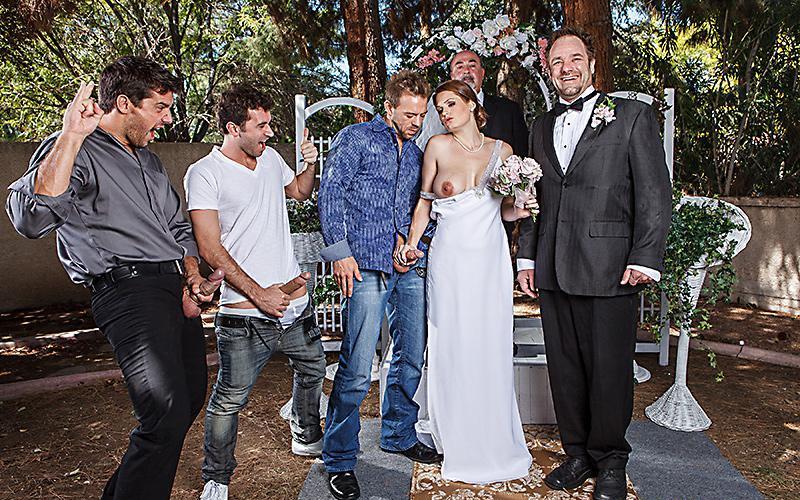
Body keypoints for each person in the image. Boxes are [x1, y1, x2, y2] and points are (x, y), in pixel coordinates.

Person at [5, 56, 222, 500]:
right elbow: (30, 218)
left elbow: (177, 229)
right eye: (160, 107)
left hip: (171, 289)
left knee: (188, 398)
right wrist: (70, 136)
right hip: (127, 291)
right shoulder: (76, 148)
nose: (167, 118)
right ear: (124, 103)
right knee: (163, 408)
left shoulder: (151, 162)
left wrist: (192, 277)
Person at [516, 27, 671, 500]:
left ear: (592, 63)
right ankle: (578, 453)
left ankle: (610, 460)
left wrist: (645, 257)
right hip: (553, 267)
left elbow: (654, 193)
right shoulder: (540, 126)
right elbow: (534, 197)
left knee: (608, 370)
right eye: (557, 61)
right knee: (565, 369)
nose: (567, 68)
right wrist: (527, 257)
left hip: (611, 267)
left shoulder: (631, 116)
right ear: (549, 69)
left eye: (575, 58)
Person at [184, 85, 326, 500]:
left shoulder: (271, 159)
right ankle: (217, 477)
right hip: (245, 314)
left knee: (313, 369)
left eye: (269, 123)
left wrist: (310, 164)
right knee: (229, 400)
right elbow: (209, 247)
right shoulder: (205, 173)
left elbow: (299, 192)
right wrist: (259, 294)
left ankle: (304, 433)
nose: (269, 131)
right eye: (261, 125)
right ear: (233, 128)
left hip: (294, 306)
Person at [398, 79, 533, 484]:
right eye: (439, 108)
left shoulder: (502, 151)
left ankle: (491, 432)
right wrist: (411, 245)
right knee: (453, 342)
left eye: (450, 104)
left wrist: (524, 206)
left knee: (488, 342)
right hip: (450, 260)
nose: (444, 113)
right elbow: (424, 204)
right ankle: (455, 433)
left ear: (473, 104)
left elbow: (505, 211)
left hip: (490, 260)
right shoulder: (437, 147)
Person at [318, 70, 438, 500]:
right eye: (409, 114)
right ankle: (339, 459)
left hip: (406, 267)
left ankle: (399, 433)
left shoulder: (420, 153)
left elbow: (422, 207)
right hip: (363, 266)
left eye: (421, 115)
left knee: (412, 355)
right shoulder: (355, 138)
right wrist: (339, 252)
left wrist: (415, 243)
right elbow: (330, 194)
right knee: (356, 367)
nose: (416, 122)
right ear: (388, 108)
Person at [415, 49, 528, 155]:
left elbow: (521, 154)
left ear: (482, 73)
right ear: (452, 76)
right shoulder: (437, 113)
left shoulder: (509, 109)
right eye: (459, 67)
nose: (466, 71)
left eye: (472, 66)